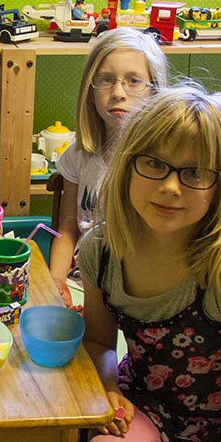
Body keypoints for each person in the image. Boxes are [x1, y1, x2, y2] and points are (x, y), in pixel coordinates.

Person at [76, 83, 221, 442]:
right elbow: (99, 343)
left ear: (220, 183)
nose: (171, 187)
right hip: (141, 400)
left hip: (220, 434)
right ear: (126, 165)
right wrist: (108, 390)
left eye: (193, 172)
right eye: (154, 164)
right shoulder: (101, 251)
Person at [50, 28, 169, 311]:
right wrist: (56, 282)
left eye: (133, 81)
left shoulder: (161, 164)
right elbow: (68, 228)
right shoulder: (79, 154)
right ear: (90, 91)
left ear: (155, 90)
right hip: (81, 284)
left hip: (134, 295)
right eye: (105, 80)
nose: (118, 93)